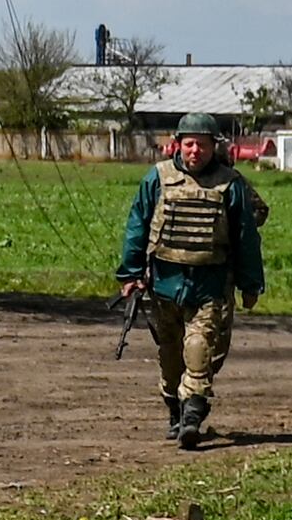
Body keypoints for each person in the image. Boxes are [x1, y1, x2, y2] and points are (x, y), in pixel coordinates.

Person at [113, 112, 267, 445]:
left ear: (214, 147)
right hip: (165, 284)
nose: (195, 151)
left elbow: (245, 236)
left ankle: (193, 414)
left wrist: (250, 283)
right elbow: (137, 225)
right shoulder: (157, 178)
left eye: (203, 144)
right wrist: (131, 273)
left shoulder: (230, 183)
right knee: (170, 355)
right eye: (190, 144)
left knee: (198, 347)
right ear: (178, 145)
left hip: (210, 285)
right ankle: (175, 411)